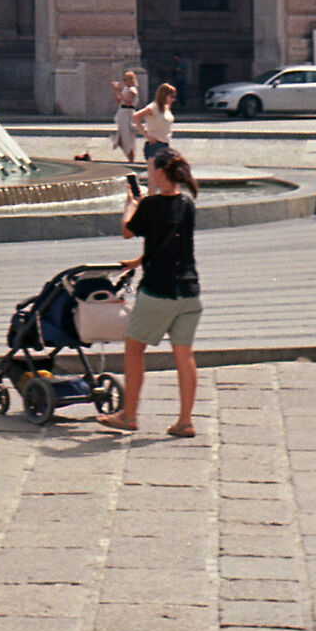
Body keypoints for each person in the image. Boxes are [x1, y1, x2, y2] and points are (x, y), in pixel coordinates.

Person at [100, 148, 202, 439]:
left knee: (134, 349)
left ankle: (128, 415)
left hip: (160, 291)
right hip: (190, 292)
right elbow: (167, 243)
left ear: (159, 173)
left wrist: (130, 204)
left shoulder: (150, 205)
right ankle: (185, 421)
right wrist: (137, 262)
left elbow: (127, 231)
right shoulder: (187, 204)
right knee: (185, 355)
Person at [140, 81, 177, 165]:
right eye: (171, 96)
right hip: (155, 145)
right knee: (156, 174)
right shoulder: (153, 107)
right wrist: (146, 135)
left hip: (165, 144)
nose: (173, 99)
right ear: (164, 95)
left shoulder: (166, 107)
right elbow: (136, 117)